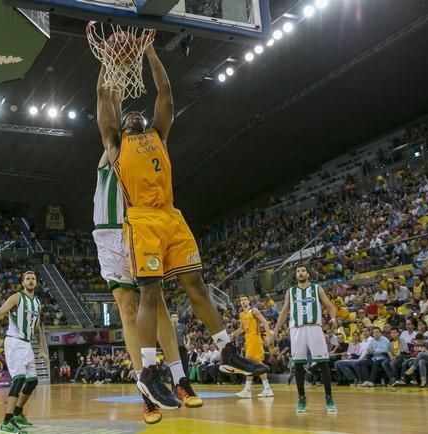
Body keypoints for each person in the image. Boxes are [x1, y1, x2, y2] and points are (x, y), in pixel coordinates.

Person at [95, 33, 267, 411]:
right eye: (129, 116)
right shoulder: (115, 145)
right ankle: (151, 372)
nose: (135, 114)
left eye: (140, 113)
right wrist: (109, 63)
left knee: (197, 285)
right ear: (121, 127)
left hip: (172, 216)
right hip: (141, 220)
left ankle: (227, 348)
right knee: (151, 295)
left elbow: (166, 95)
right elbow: (104, 102)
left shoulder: (159, 133)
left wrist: (151, 52)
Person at [92, 149, 202, 424]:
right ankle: (146, 392)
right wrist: (116, 102)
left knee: (157, 302)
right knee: (127, 310)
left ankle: (180, 379)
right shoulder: (110, 153)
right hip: (108, 234)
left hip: (138, 227)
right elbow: (108, 117)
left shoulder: (143, 156)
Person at [0, 271, 48, 434]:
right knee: (19, 379)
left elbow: (37, 329)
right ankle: (6, 422)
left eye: (33, 279)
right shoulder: (16, 298)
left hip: (27, 344)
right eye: (27, 279)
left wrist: (42, 350)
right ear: (23, 283)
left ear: (36, 283)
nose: (31, 281)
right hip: (15, 341)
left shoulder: (37, 302)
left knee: (32, 381)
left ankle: (17, 414)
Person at [273, 264, 337, 413]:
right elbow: (283, 312)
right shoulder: (291, 291)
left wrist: (333, 318)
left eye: (303, 271)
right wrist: (275, 330)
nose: (300, 273)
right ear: (295, 275)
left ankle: (329, 397)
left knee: (323, 364)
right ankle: (301, 398)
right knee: (299, 366)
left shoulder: (317, 289)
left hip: (315, 328)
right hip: (297, 330)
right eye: (298, 271)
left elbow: (329, 305)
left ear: (308, 274)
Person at [231, 295, 274, 398]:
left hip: (255, 339)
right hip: (248, 340)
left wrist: (268, 335)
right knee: (257, 364)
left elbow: (264, 321)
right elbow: (241, 329)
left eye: (245, 300)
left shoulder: (254, 310)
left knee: (249, 364)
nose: (243, 302)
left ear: (248, 301)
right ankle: (267, 389)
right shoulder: (241, 314)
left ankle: (248, 389)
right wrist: (232, 335)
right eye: (241, 300)